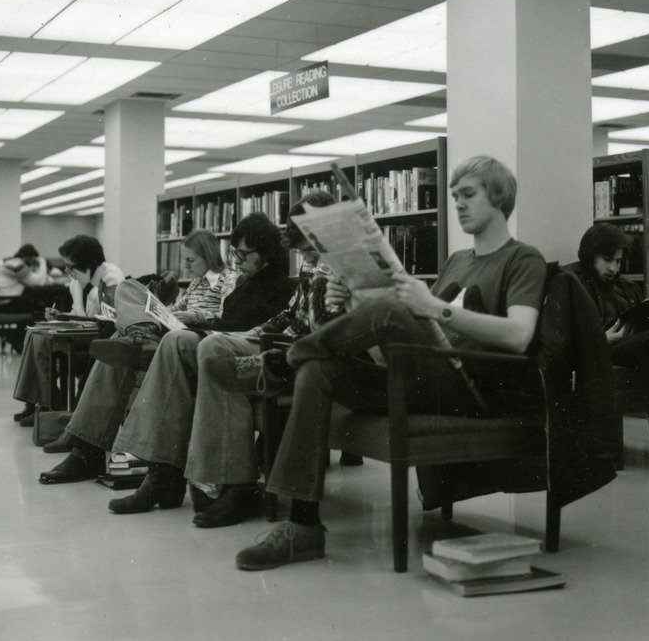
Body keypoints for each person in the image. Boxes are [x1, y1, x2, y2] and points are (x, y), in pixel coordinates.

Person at [234, 155, 548, 571]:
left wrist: (433, 306)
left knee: (390, 310)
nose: (458, 204)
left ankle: (287, 359)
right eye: (454, 197)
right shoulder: (457, 260)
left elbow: (520, 334)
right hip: (425, 374)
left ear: (499, 196)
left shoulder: (523, 259)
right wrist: (351, 303)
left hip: (473, 387)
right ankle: (303, 526)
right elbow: (399, 341)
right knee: (320, 369)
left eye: (468, 195)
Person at [108, 191, 341, 526]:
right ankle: (162, 475)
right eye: (301, 241)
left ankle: (232, 485)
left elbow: (321, 328)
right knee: (175, 342)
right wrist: (251, 334)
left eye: (311, 239)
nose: (305, 249)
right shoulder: (308, 263)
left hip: (292, 357)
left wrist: (235, 333)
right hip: (267, 341)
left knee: (212, 350)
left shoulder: (337, 266)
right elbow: (289, 316)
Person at [38, 226, 251, 484]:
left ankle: (85, 452)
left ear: (208, 255)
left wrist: (196, 315)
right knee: (128, 289)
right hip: (172, 333)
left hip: (196, 338)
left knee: (119, 344)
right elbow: (175, 308)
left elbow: (229, 318)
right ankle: (139, 335)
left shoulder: (230, 279)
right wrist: (161, 311)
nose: (185, 266)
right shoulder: (195, 283)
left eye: (190, 260)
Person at [566, 224, 649, 483]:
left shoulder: (626, 288)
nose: (614, 269)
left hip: (645, 347)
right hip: (606, 351)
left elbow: (647, 332)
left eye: (618, 261)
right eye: (607, 260)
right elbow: (559, 339)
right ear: (589, 255)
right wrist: (600, 339)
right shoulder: (569, 282)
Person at [12, 235, 124, 425]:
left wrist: (88, 285)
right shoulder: (75, 282)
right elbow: (78, 312)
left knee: (42, 341)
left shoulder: (111, 275)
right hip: (83, 333)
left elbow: (113, 310)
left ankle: (46, 406)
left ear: (87, 263)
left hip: (102, 336)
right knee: (35, 333)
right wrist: (60, 315)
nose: (66, 270)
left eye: (70, 266)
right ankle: (39, 404)